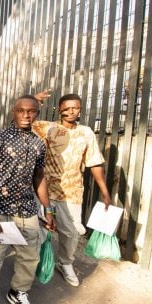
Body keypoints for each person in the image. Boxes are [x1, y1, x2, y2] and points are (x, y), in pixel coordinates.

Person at [0, 94, 56, 304]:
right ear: (13, 112)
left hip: (28, 209)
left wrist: (48, 209)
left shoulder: (38, 143)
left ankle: (18, 293)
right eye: (21, 111)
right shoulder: (0, 137)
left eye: (31, 111)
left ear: (37, 114)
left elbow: (39, 177)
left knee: (29, 257)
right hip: (1, 208)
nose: (26, 115)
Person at [32, 91, 111, 287]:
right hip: (44, 190)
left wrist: (105, 191)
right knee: (39, 230)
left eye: (75, 108)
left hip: (72, 192)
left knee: (72, 231)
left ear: (80, 110)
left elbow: (94, 163)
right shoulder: (47, 128)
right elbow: (24, 119)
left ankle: (65, 263)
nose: (70, 111)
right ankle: (33, 262)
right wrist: (35, 100)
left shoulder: (86, 133)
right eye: (66, 108)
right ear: (59, 109)